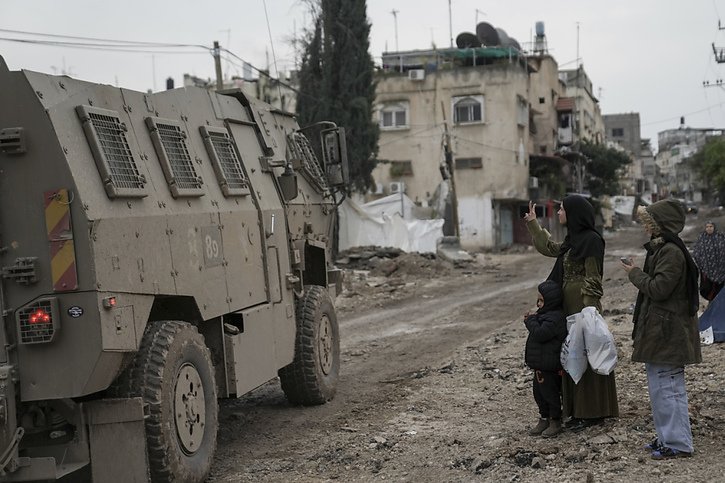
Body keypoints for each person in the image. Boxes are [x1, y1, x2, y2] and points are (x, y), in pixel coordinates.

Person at [523, 195, 619, 430]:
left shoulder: (592, 241)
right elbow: (552, 249)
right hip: (568, 305)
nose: (559, 213)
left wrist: (588, 310)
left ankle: (593, 412)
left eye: (562, 209)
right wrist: (534, 223)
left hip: (582, 306)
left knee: (588, 353)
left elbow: (593, 277)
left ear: (574, 213)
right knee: (570, 355)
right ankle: (574, 410)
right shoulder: (573, 240)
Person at [621, 199, 702, 459]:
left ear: (661, 225)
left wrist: (634, 273)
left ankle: (678, 443)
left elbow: (659, 289)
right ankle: (667, 438)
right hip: (662, 330)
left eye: (650, 223)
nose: (647, 228)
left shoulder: (671, 252)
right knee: (660, 389)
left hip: (669, 332)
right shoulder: (663, 249)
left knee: (669, 389)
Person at [524, 280, 567, 438]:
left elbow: (541, 334)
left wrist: (530, 321)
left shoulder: (555, 318)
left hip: (549, 366)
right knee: (539, 394)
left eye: (541, 300)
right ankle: (544, 418)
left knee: (551, 395)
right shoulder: (545, 316)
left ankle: (555, 420)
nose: (538, 303)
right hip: (540, 365)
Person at [692, 221, 725, 302]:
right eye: (707, 227)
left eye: (711, 226)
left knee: (720, 292)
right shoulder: (701, 238)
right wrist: (702, 266)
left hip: (721, 270)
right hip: (706, 271)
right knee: (708, 290)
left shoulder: (720, 237)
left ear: (714, 227)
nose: (709, 228)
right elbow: (696, 253)